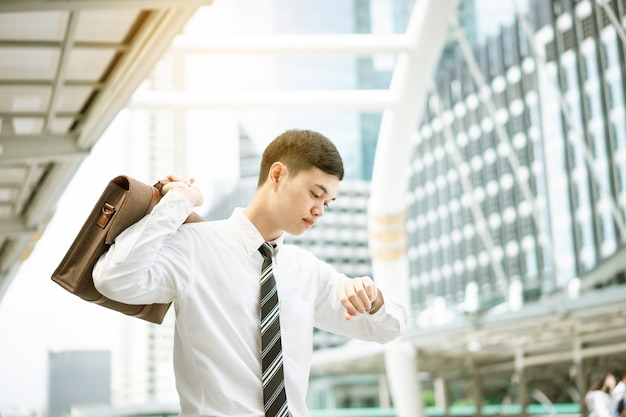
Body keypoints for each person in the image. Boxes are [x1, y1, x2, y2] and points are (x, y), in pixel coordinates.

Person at [93, 129, 407, 417]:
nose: (320, 211)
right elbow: (114, 279)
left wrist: (374, 300)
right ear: (278, 175)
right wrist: (178, 202)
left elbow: (388, 329)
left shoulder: (306, 270)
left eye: (328, 202)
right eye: (315, 194)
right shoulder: (195, 247)